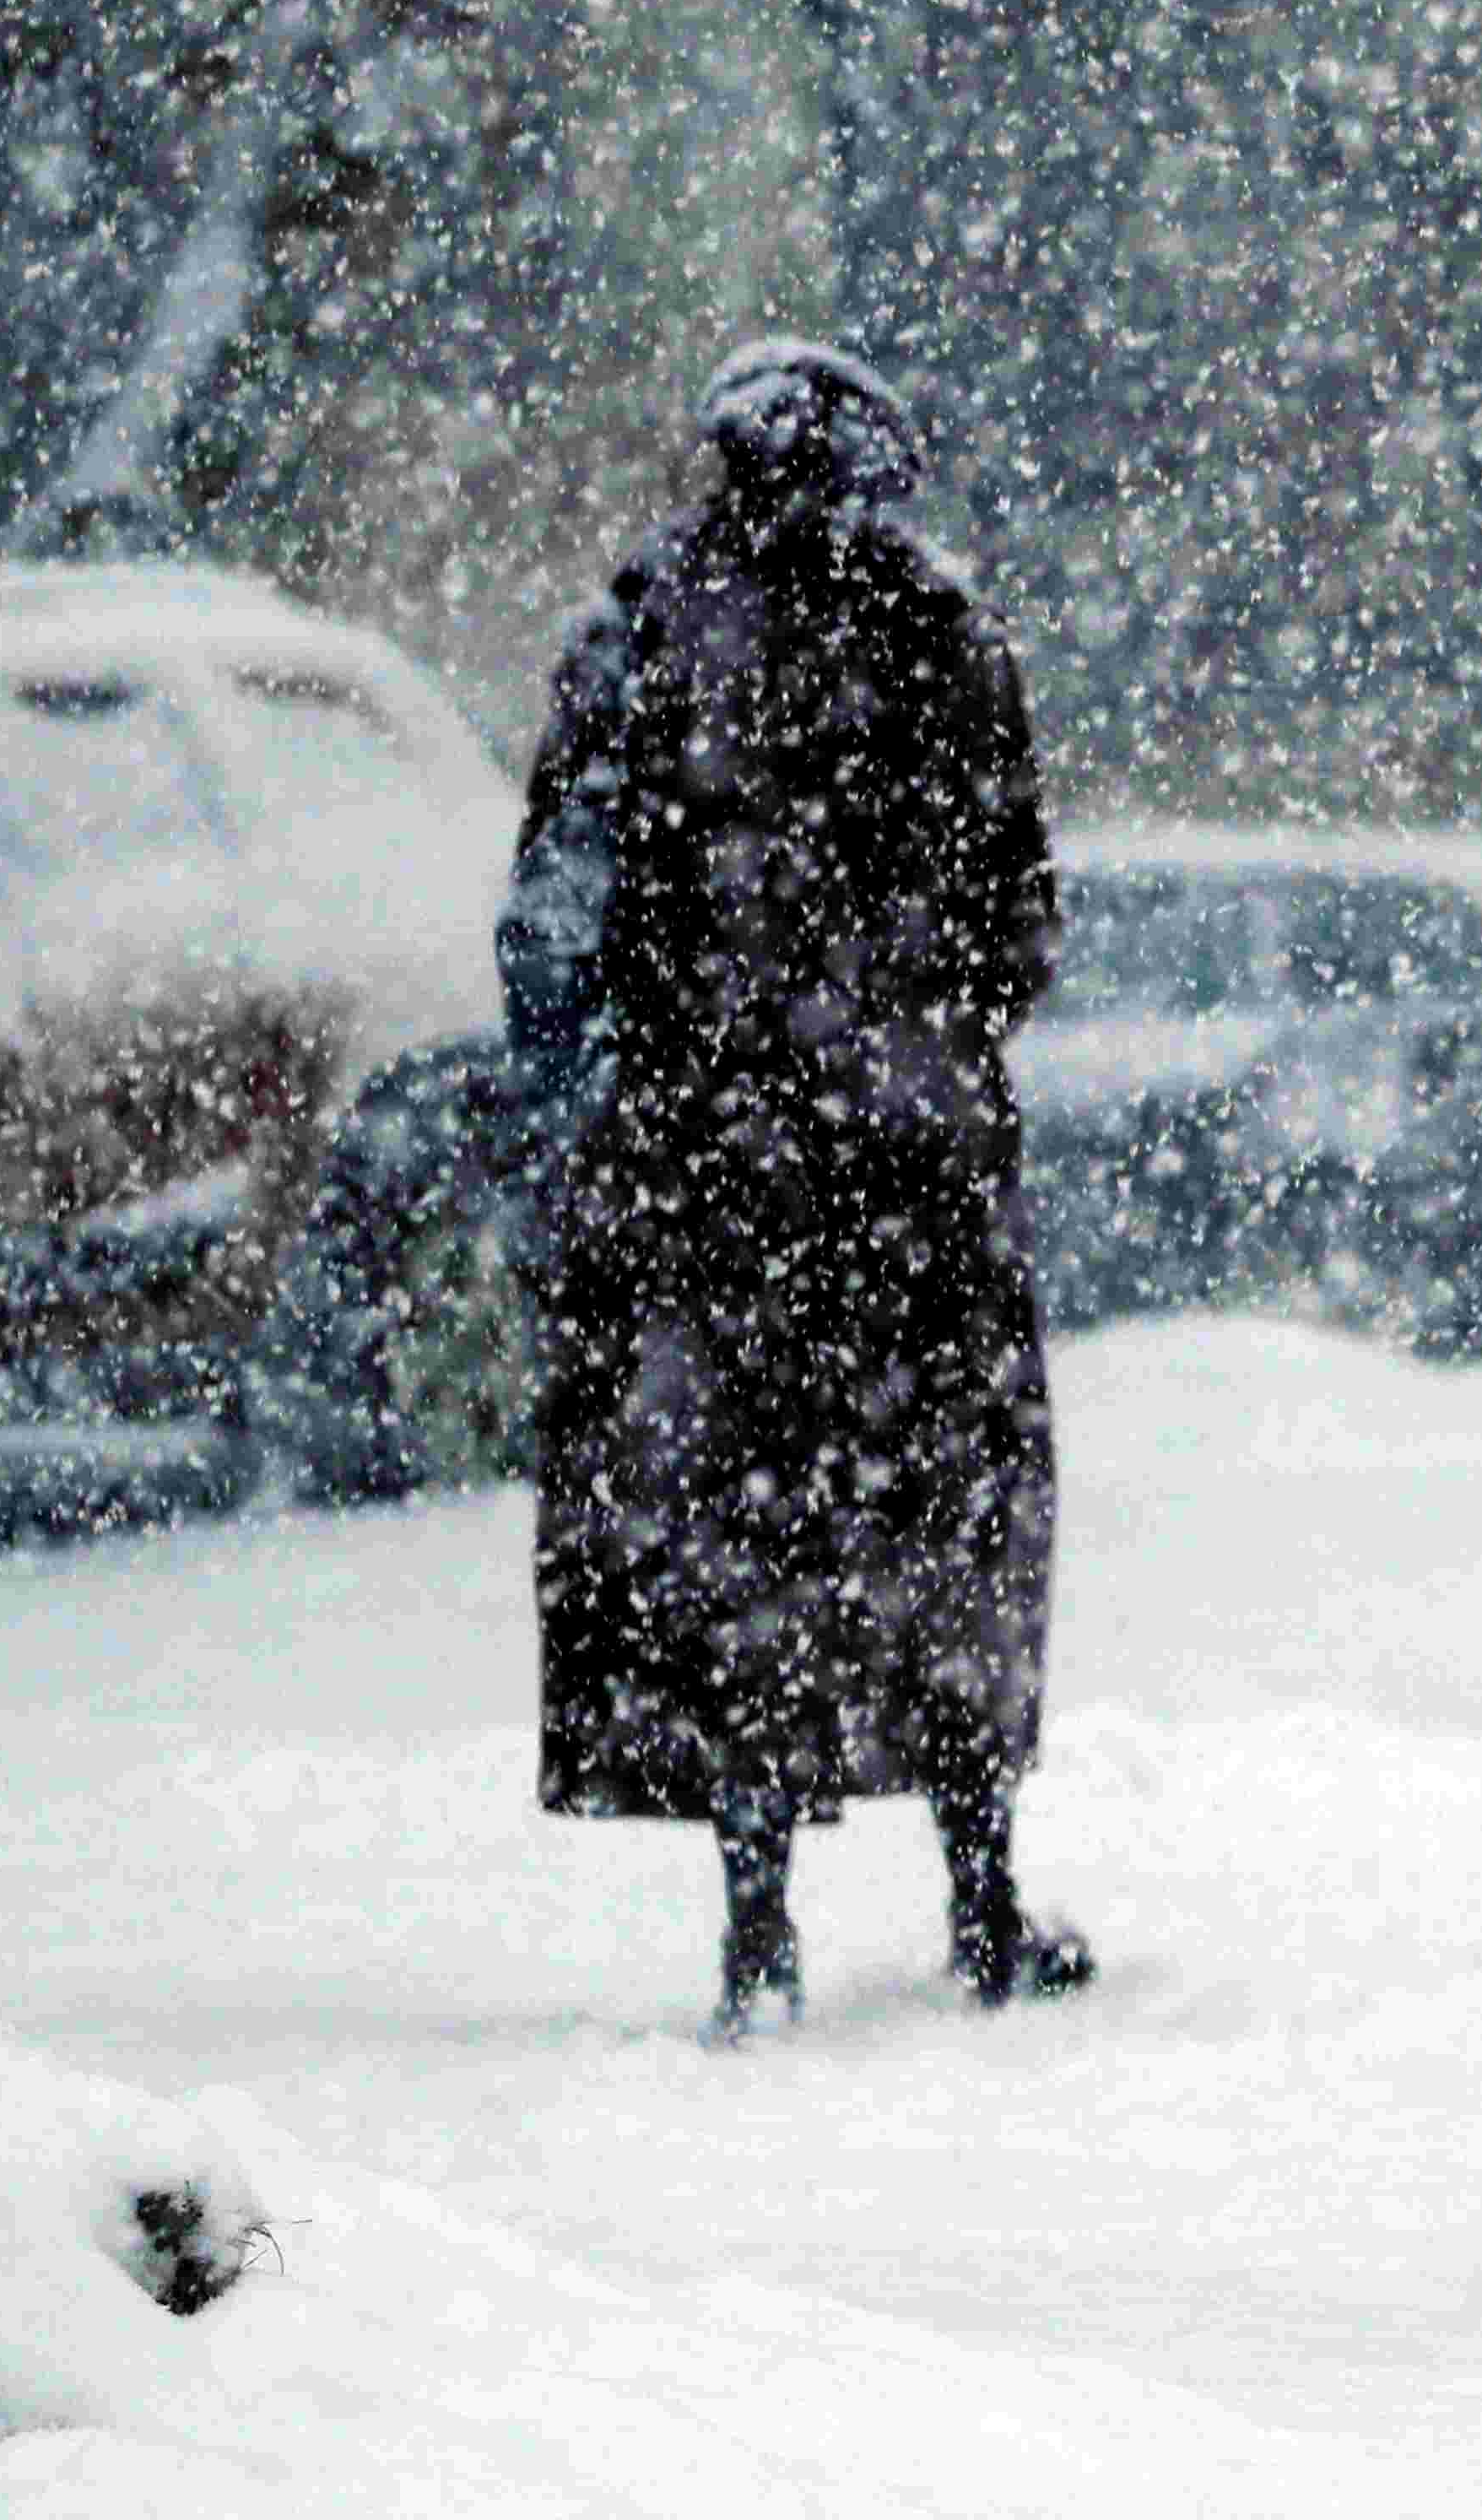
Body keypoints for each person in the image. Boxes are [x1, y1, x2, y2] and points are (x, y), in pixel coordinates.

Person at [498, 338, 1093, 2038]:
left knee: (737, 1531)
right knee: (940, 1529)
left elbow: (552, 921)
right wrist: (920, 1040)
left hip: (706, 1176)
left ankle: (758, 1925)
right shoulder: (946, 635)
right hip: (909, 1175)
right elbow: (1020, 911)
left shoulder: (633, 637)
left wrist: (615, 1099)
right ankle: (981, 1895)